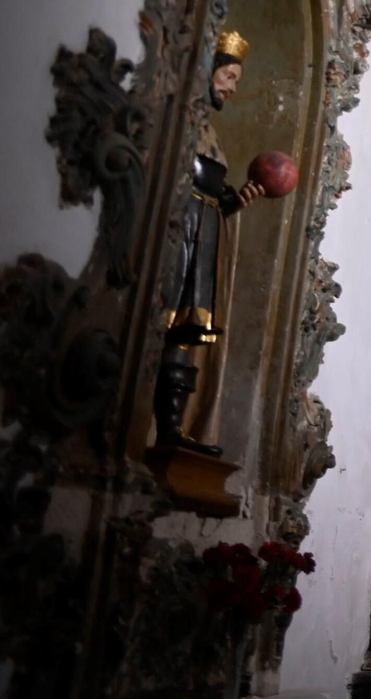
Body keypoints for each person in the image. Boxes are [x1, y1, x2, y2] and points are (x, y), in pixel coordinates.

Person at [156, 30, 265, 454]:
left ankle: (173, 430)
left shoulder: (211, 135)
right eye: (229, 76)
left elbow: (217, 195)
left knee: (188, 333)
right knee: (167, 321)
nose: (232, 87)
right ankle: (159, 430)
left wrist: (238, 200)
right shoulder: (183, 121)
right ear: (209, 70)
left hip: (204, 237)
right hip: (181, 233)